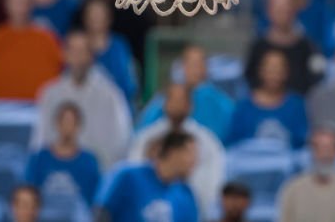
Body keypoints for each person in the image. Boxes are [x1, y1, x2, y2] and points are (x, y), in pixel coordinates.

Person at [34, 31, 132, 169]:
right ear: (64, 55)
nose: (77, 57)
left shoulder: (110, 95)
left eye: (82, 51)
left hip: (97, 175)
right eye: (73, 50)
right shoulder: (49, 94)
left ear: (91, 56)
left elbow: (120, 144)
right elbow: (40, 141)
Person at [127, 84, 225, 219]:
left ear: (190, 106)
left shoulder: (208, 143)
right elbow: (134, 175)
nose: (177, 105)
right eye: (173, 100)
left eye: (182, 101)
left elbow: (211, 187)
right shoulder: (146, 139)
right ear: (164, 104)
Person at [95, 130, 199, 222]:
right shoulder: (127, 176)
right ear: (173, 151)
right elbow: (102, 213)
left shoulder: (185, 194)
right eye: (190, 153)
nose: (194, 161)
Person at [137, 44, 235, 141]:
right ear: (182, 67)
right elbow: (143, 133)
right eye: (190, 64)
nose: (194, 70)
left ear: (205, 68)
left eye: (198, 64)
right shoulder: (165, 98)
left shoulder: (220, 103)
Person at [278, 125, 335, 222]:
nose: (325, 154)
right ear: (311, 150)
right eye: (319, 148)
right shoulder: (292, 191)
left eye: (329, 148)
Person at [244, 0, 323, 95]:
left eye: (286, 9)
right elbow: (250, 79)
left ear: (294, 11)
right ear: (269, 11)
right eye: (278, 9)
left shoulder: (307, 46)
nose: (283, 14)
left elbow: (317, 76)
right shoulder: (258, 47)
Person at [24, 102, 102, 206]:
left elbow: (95, 200)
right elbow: (27, 195)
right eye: (64, 121)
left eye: (72, 122)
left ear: (79, 126)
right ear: (56, 123)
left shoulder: (89, 161)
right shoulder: (38, 159)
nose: (67, 127)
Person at [227, 49, 307, 148]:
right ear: (261, 71)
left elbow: (302, 143)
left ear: (286, 73)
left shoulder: (296, 105)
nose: (274, 76)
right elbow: (233, 144)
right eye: (270, 70)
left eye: (278, 70)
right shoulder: (244, 106)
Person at [79, 0, 136, 102]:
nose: (95, 18)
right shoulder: (78, 44)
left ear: (108, 18)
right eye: (92, 14)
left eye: (99, 14)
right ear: (84, 18)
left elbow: (128, 84)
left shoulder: (119, 46)